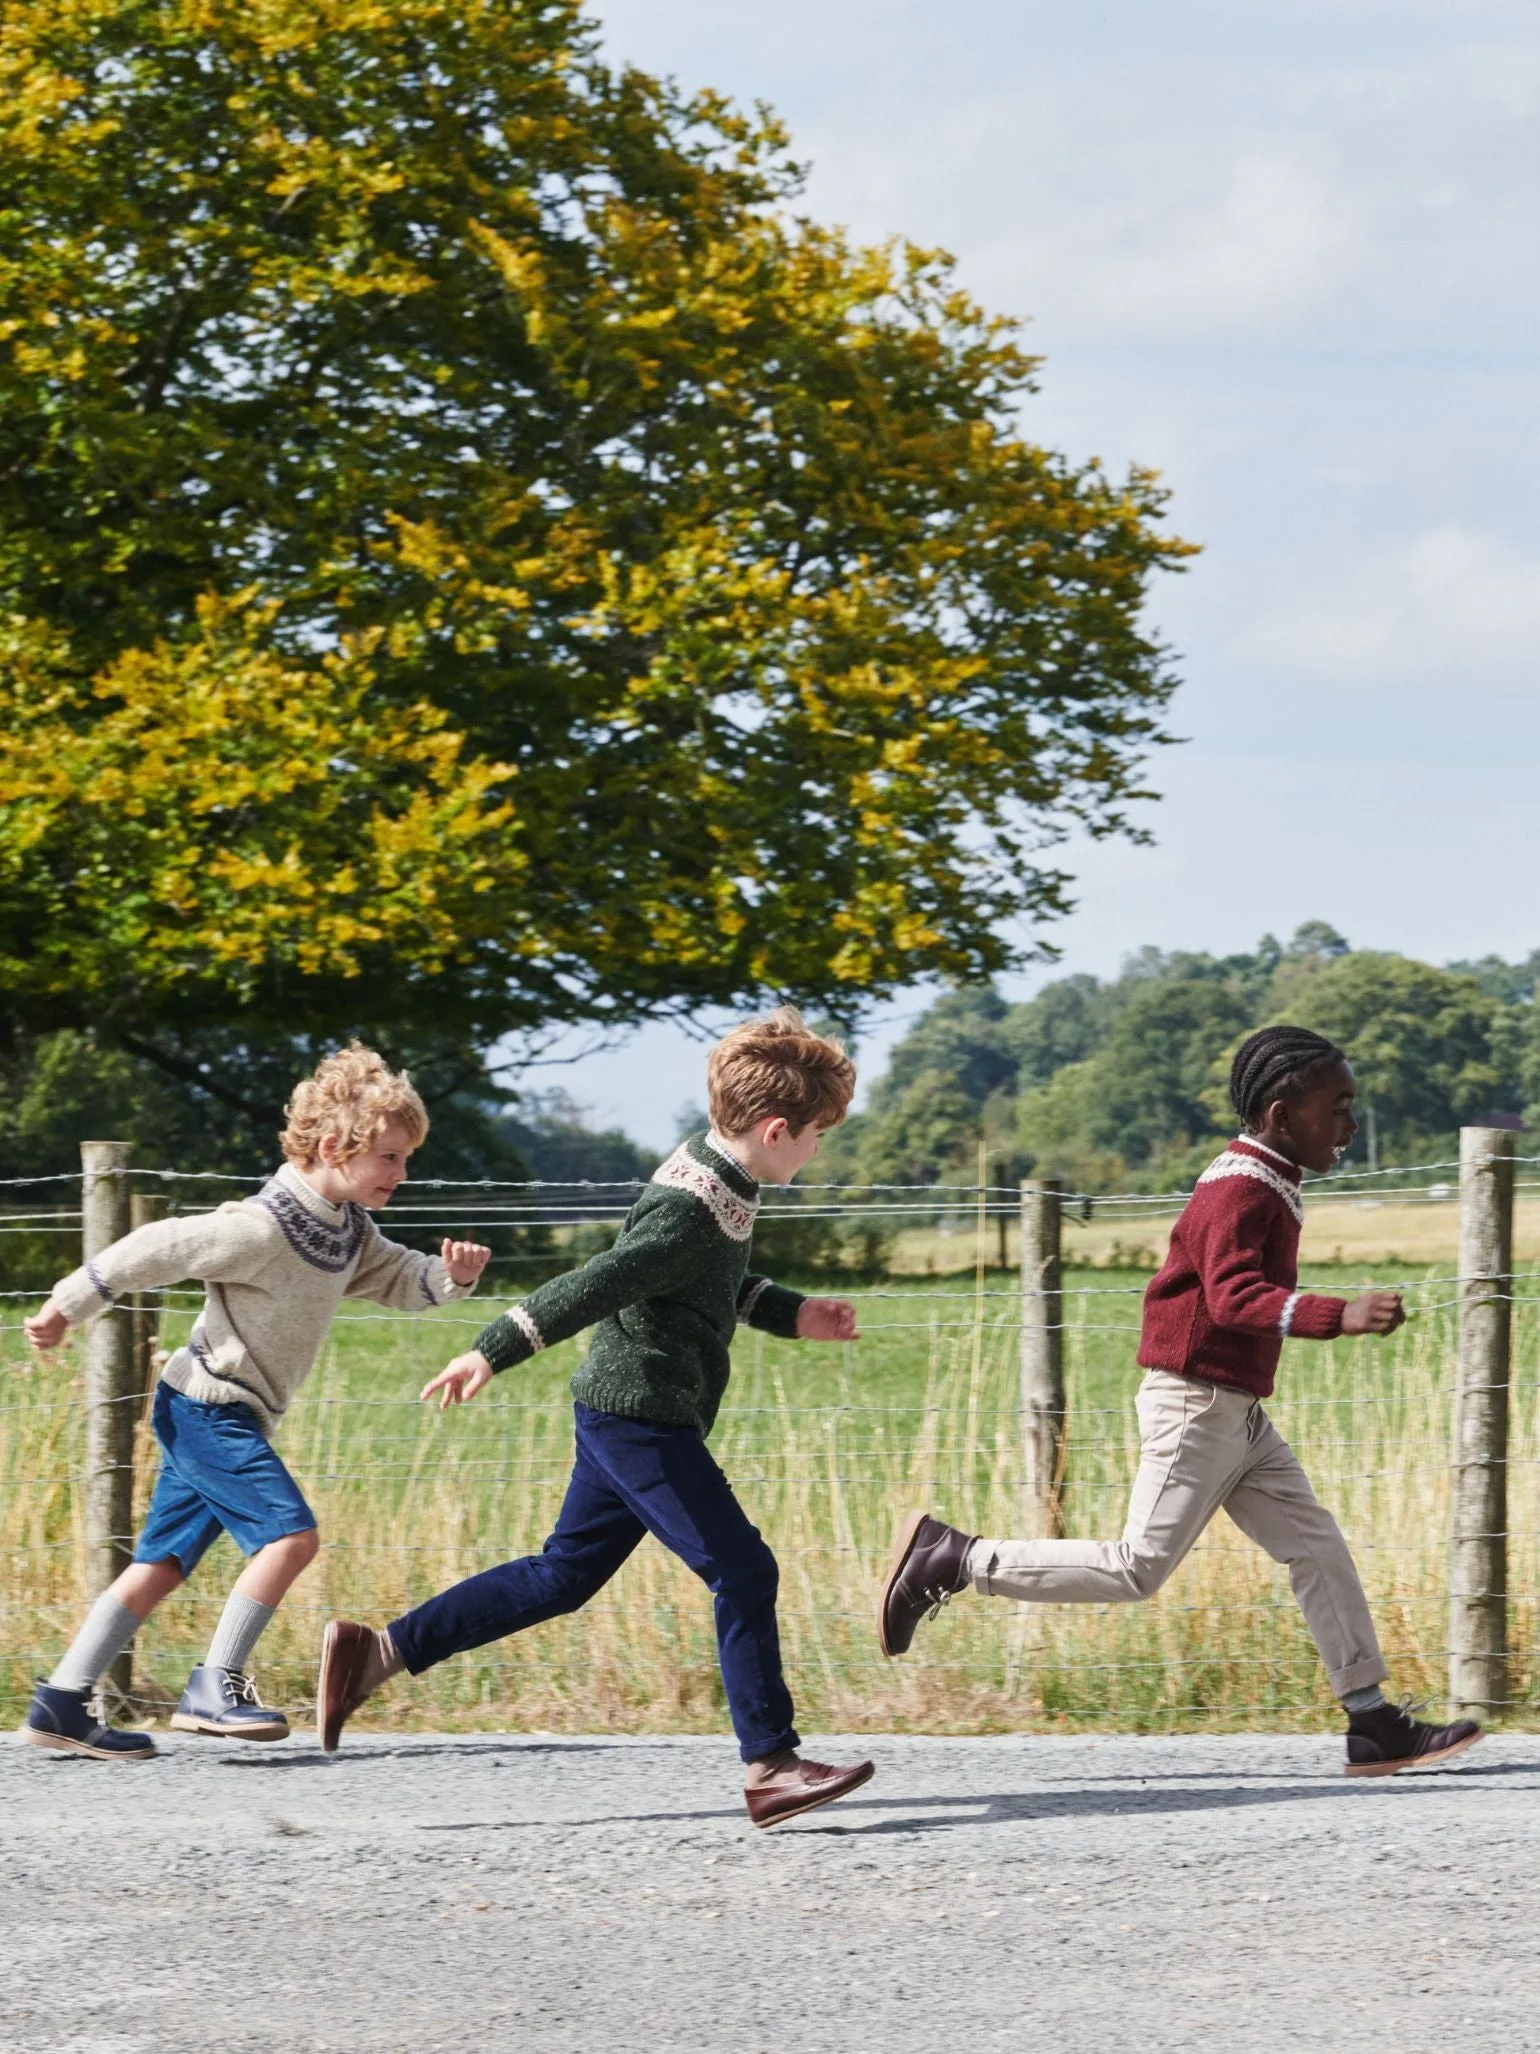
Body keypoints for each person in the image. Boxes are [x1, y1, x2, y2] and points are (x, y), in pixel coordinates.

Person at [318, 1007, 875, 1828]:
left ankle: (382, 1650)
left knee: (564, 1575)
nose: (820, 1149)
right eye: (818, 1134)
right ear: (776, 1127)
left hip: (627, 1412)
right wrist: (489, 1350)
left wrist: (797, 1315)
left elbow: (711, 1288)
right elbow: (598, 1283)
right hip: (641, 1421)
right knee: (745, 1571)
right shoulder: (690, 1204)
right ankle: (771, 1764)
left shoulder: (723, 1177)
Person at [880, 1025, 1483, 1778]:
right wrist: (1340, 1314)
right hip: (1195, 1405)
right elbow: (1232, 1299)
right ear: (1280, 1114)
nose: (1350, 1125)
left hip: (1236, 1411)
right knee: (1136, 1567)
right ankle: (957, 1559)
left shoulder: (1268, 1177)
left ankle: (1372, 1722)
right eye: (1338, 1107)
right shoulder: (1238, 1187)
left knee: (1315, 1545)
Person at [22, 1045, 489, 1760]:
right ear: (335, 1147)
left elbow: (400, 1279)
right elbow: (157, 1246)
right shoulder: (262, 1226)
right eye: (392, 1158)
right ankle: (216, 1683)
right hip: (208, 1406)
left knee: (162, 1565)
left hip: (223, 1411)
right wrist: (67, 1305)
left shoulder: (345, 1228)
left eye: (405, 1158)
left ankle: (61, 1700)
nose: (402, 1172)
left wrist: (450, 1277)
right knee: (291, 1537)